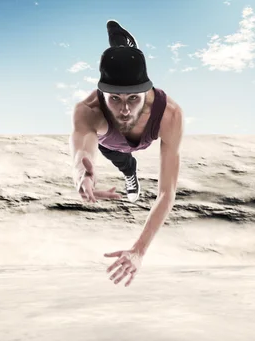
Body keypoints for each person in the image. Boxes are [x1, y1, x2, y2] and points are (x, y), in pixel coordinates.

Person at [69, 20, 184, 287]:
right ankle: (130, 174)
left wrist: (139, 250)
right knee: (126, 165)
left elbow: (167, 192)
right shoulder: (88, 111)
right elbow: (83, 147)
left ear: (146, 91)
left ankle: (124, 46)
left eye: (133, 98)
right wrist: (82, 174)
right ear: (102, 94)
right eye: (115, 99)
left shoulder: (170, 115)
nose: (124, 110)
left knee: (126, 63)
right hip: (111, 145)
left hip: (141, 137)